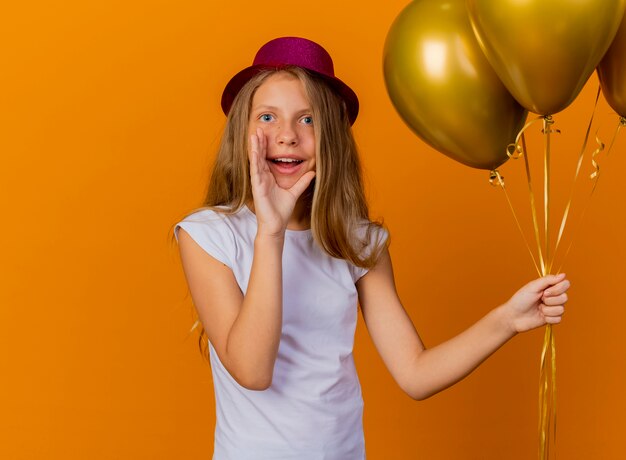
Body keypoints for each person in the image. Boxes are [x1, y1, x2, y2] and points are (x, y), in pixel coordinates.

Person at [174, 36, 569, 459]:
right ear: (243, 132)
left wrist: (507, 319)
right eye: (268, 117)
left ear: (332, 138)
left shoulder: (359, 243)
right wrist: (270, 232)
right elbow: (252, 371)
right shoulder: (208, 235)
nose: (287, 136)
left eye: (307, 121)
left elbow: (415, 373)